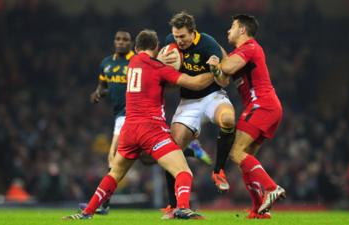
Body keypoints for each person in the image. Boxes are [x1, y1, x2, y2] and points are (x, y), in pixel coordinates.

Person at [63, 29, 216, 220]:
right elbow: (194, 83)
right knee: (183, 172)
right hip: (151, 130)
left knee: (114, 174)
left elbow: (154, 82)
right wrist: (214, 72)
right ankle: (183, 208)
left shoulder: (133, 62)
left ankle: (87, 212)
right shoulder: (158, 68)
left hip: (129, 129)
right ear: (156, 47)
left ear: (135, 48)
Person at [207, 14, 286, 219]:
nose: (228, 31)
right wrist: (216, 68)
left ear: (242, 30)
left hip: (261, 105)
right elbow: (223, 79)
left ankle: (271, 188)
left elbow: (227, 68)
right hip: (267, 106)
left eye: (232, 27)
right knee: (244, 157)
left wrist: (218, 61)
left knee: (235, 152)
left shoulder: (250, 47)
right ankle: (258, 209)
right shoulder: (242, 52)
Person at [158, 11, 236, 218]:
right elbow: (163, 78)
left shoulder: (208, 44)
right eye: (176, 36)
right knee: (171, 150)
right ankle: (172, 205)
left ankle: (218, 170)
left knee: (228, 119)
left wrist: (216, 70)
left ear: (193, 33)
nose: (179, 41)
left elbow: (224, 81)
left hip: (212, 96)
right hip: (189, 102)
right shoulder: (170, 44)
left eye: (183, 36)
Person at [78, 28, 134, 215]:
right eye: (118, 39)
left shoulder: (136, 61)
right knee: (148, 157)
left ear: (131, 43)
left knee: (113, 158)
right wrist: (97, 93)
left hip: (132, 113)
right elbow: (103, 85)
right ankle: (184, 148)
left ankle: (104, 205)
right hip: (119, 114)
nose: (120, 42)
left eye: (125, 39)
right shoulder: (106, 63)